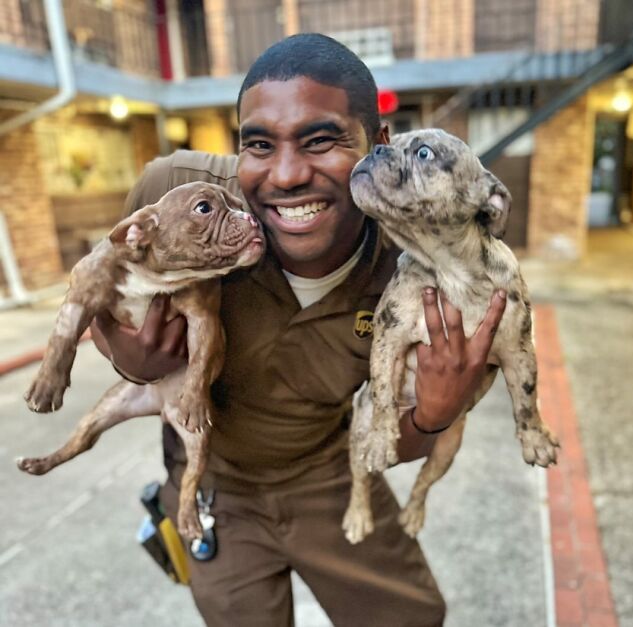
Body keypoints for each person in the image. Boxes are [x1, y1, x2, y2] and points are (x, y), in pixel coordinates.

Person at [92, 33, 506, 627]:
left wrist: (434, 417)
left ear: (378, 143)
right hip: (213, 486)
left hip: (327, 472)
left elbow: (404, 443)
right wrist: (131, 359)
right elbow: (95, 298)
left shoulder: (426, 265)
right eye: (259, 145)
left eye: (321, 140)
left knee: (410, 618)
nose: (284, 175)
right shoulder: (175, 194)